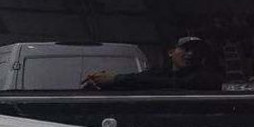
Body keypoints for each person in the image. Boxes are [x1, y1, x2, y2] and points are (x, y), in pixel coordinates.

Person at [82, 35, 222, 92]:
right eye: (185, 49)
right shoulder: (159, 73)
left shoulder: (206, 76)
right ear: (170, 52)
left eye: (197, 51)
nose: (191, 54)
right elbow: (141, 80)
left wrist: (116, 78)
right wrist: (103, 83)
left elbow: (174, 84)